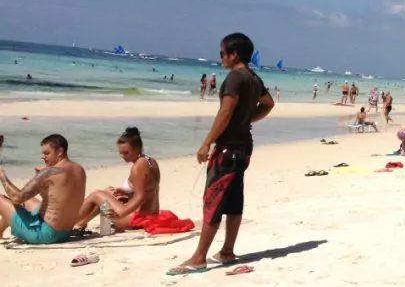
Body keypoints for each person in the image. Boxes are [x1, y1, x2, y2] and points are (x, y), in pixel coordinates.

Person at [168, 32, 276, 276]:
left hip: (228, 148)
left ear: (233, 54)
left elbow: (225, 113)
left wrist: (207, 143)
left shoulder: (234, 78)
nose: (221, 58)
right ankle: (227, 250)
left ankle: (199, 257)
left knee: (214, 200)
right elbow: (268, 103)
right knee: (235, 198)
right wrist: (247, 120)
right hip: (245, 146)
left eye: (222, 53)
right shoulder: (253, 77)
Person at [0, 134, 86, 245]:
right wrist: (41, 182)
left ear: (60, 151)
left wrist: (2, 176)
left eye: (47, 153)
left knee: (3, 199)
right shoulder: (79, 169)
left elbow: (17, 198)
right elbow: (57, 199)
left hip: (45, 234)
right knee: (26, 202)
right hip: (65, 232)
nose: (43, 157)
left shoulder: (50, 172)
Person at [75, 127, 161, 231]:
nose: (122, 156)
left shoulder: (138, 166)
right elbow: (147, 191)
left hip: (137, 219)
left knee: (97, 194)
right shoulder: (150, 161)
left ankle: (71, 222)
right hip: (152, 214)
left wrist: (121, 212)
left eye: (126, 152)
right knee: (108, 194)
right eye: (120, 153)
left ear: (137, 148)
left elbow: (141, 197)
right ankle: (84, 223)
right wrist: (125, 193)